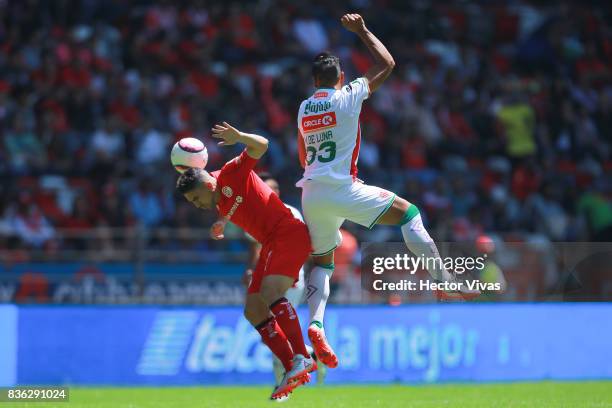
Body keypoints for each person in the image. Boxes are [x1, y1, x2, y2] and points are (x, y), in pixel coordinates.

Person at [296, 14, 479, 368]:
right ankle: (443, 280)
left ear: (314, 80)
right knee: (409, 214)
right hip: (342, 188)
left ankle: (316, 323)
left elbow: (303, 154)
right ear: (341, 78)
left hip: (311, 192)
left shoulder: (304, 108)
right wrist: (362, 30)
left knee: (323, 262)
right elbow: (388, 64)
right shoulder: (348, 96)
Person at [176, 122, 316, 400]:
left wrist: (239, 137)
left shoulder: (229, 173)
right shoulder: (218, 201)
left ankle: (302, 356)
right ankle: (292, 367)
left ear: (208, 183)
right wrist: (222, 221)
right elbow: (240, 203)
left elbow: (262, 145)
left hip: (288, 233)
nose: (196, 204)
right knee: (253, 309)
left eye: (195, 198)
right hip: (270, 244)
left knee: (270, 294)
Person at [241, 174, 327, 400]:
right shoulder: (256, 215)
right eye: (269, 189)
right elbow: (256, 250)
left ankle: (284, 386)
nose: (273, 192)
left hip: (289, 279)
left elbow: (302, 247)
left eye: (276, 188)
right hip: (267, 276)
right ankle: (310, 356)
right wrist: (251, 271)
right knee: (270, 332)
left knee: (274, 330)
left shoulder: (291, 212)